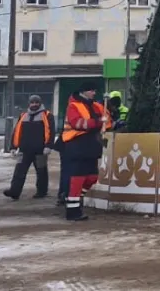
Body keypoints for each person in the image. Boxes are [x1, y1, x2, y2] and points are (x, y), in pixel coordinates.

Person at [60, 82, 108, 221]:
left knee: (92, 177)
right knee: (78, 178)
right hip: (76, 144)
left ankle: (74, 198)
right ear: (83, 92)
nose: (94, 93)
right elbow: (78, 123)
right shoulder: (73, 106)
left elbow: (106, 119)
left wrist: (107, 117)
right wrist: (98, 122)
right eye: (91, 90)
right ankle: (73, 210)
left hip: (91, 144)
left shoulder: (95, 105)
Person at [4, 95, 55, 200]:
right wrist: (13, 147)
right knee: (19, 171)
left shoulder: (47, 115)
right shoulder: (23, 115)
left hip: (40, 150)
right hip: (24, 149)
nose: (34, 104)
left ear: (40, 103)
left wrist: (48, 146)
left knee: (41, 171)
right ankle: (14, 191)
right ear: (29, 103)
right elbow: (17, 132)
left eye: (37, 102)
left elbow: (51, 132)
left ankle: (41, 192)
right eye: (32, 102)